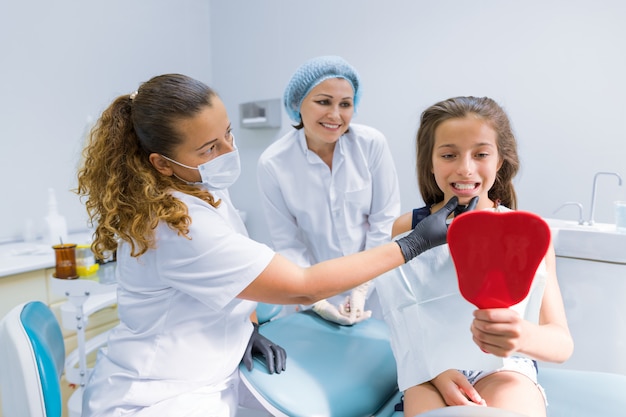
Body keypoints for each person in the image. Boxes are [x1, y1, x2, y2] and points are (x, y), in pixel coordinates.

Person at [76, 73, 457, 417]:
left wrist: (248, 326)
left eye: (228, 134)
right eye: (210, 148)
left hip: (210, 373)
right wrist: (412, 244)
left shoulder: (205, 190)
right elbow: (301, 283)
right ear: (162, 164)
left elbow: (238, 274)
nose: (228, 152)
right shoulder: (179, 226)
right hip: (158, 396)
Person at [376, 96, 574, 417]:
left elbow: (561, 344)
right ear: (430, 161)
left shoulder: (527, 235)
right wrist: (435, 372)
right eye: (449, 154)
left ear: (499, 161)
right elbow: (403, 320)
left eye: (481, 154)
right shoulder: (407, 228)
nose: (465, 168)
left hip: (505, 368)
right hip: (428, 373)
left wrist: (520, 335)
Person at [257, 56, 401, 325]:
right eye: (323, 102)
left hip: (376, 289)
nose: (335, 115)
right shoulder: (273, 163)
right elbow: (288, 243)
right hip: (315, 292)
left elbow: (384, 220)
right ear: (298, 104)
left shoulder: (371, 145)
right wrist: (315, 300)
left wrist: (361, 287)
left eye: (345, 104)